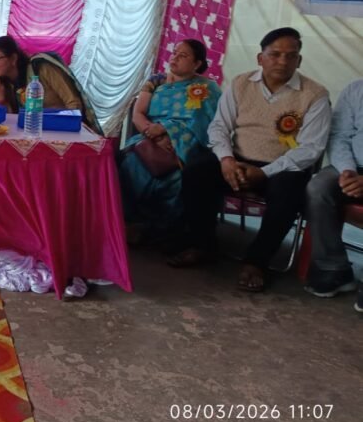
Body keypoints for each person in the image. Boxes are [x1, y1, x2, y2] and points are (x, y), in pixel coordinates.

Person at [167, 27, 330, 293]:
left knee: (290, 191)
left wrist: (265, 172)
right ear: (260, 58)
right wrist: (226, 160)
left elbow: (311, 149)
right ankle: (202, 245)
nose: (282, 61)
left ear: (299, 60)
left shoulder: (315, 95)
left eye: (291, 56)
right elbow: (219, 127)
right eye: (275, 54)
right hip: (238, 158)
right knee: (196, 172)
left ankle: (257, 261)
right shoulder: (241, 83)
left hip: (282, 166)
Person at [119, 39, 221, 244]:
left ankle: (162, 230)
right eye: (174, 53)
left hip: (187, 144)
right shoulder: (156, 81)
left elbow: (207, 123)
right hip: (149, 137)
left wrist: (169, 131)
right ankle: (129, 222)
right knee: (130, 163)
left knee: (180, 176)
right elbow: (138, 114)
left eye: (183, 56)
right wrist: (155, 134)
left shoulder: (208, 88)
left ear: (197, 64)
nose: (174, 58)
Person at [303, 77, 363, 311]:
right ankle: (333, 268)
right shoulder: (356, 89)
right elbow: (339, 135)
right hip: (352, 167)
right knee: (318, 188)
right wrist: (347, 170)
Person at [0, 35, 103, 133]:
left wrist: (70, 128)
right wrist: (2, 102)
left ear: (13, 59)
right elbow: (14, 122)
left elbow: (73, 102)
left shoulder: (41, 67)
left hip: (62, 130)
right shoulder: (5, 84)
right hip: (34, 133)